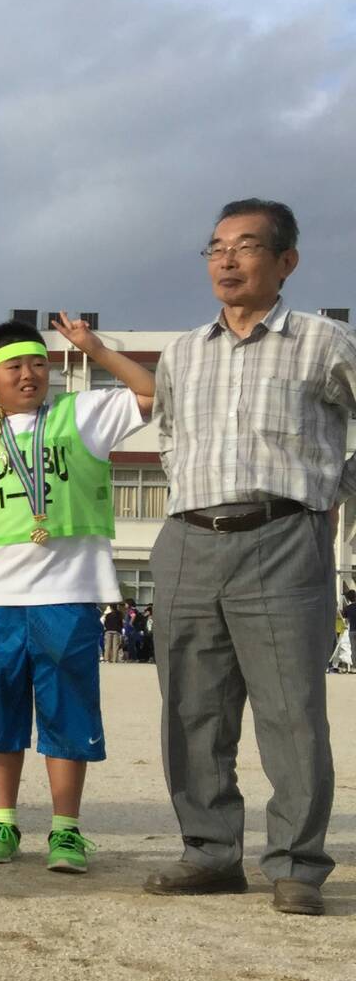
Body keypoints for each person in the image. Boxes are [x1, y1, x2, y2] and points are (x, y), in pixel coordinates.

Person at [145, 198, 354, 917]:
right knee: (191, 706)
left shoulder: (323, 342)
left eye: (246, 246)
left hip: (282, 537)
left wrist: (333, 488)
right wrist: (186, 495)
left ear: (286, 260)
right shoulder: (181, 352)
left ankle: (297, 864)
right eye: (216, 247)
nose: (227, 260)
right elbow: (169, 435)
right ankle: (209, 851)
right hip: (187, 539)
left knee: (291, 709)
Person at [0, 313, 153, 875]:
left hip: (67, 594)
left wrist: (95, 348)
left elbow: (150, 393)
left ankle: (66, 830)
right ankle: (2, 821)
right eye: (14, 367)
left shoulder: (81, 414)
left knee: (67, 712)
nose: (29, 375)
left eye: (38, 365)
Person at [336, 589, 356, 673]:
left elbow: (344, 617)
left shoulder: (348, 608)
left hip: (352, 631)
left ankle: (354, 667)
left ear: (348, 598)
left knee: (353, 650)